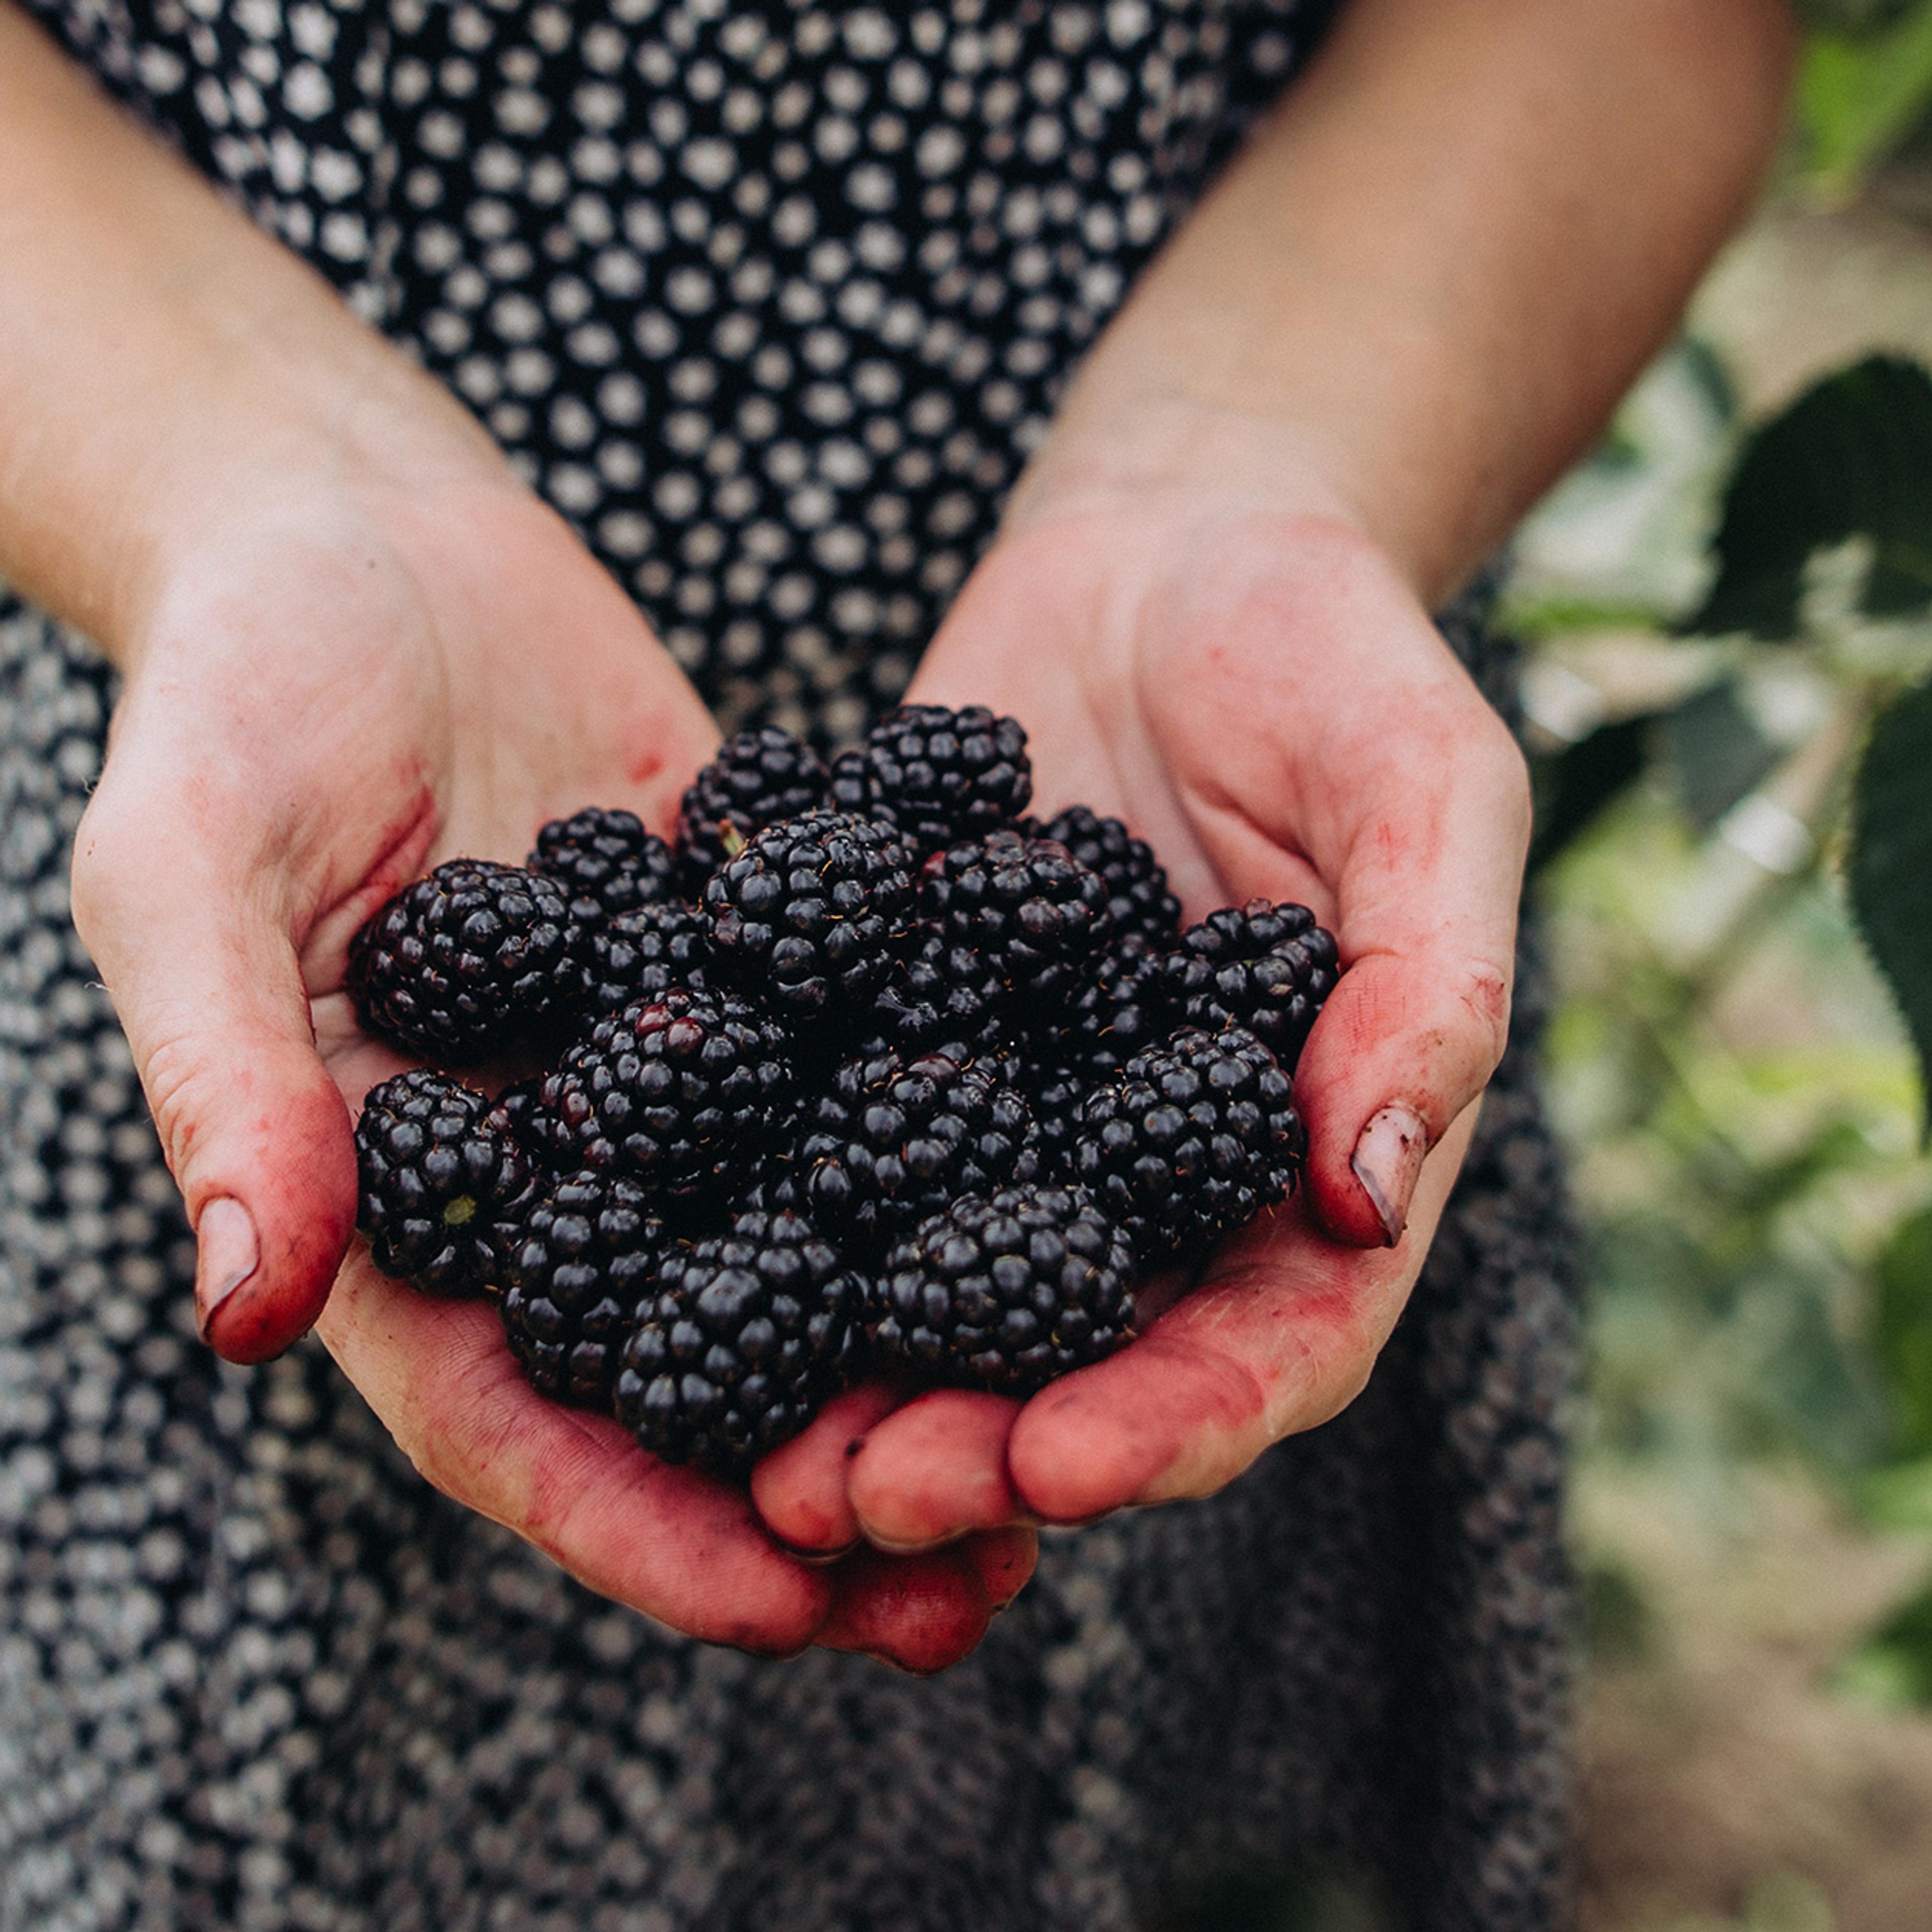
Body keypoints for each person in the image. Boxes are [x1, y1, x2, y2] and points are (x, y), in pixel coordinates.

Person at [0, 0, 1794, 1924]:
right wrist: (245, 501)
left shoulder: (936, 1003)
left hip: (1251, 521)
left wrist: (1272, 474)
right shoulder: (705, 1021)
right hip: (218, 608)